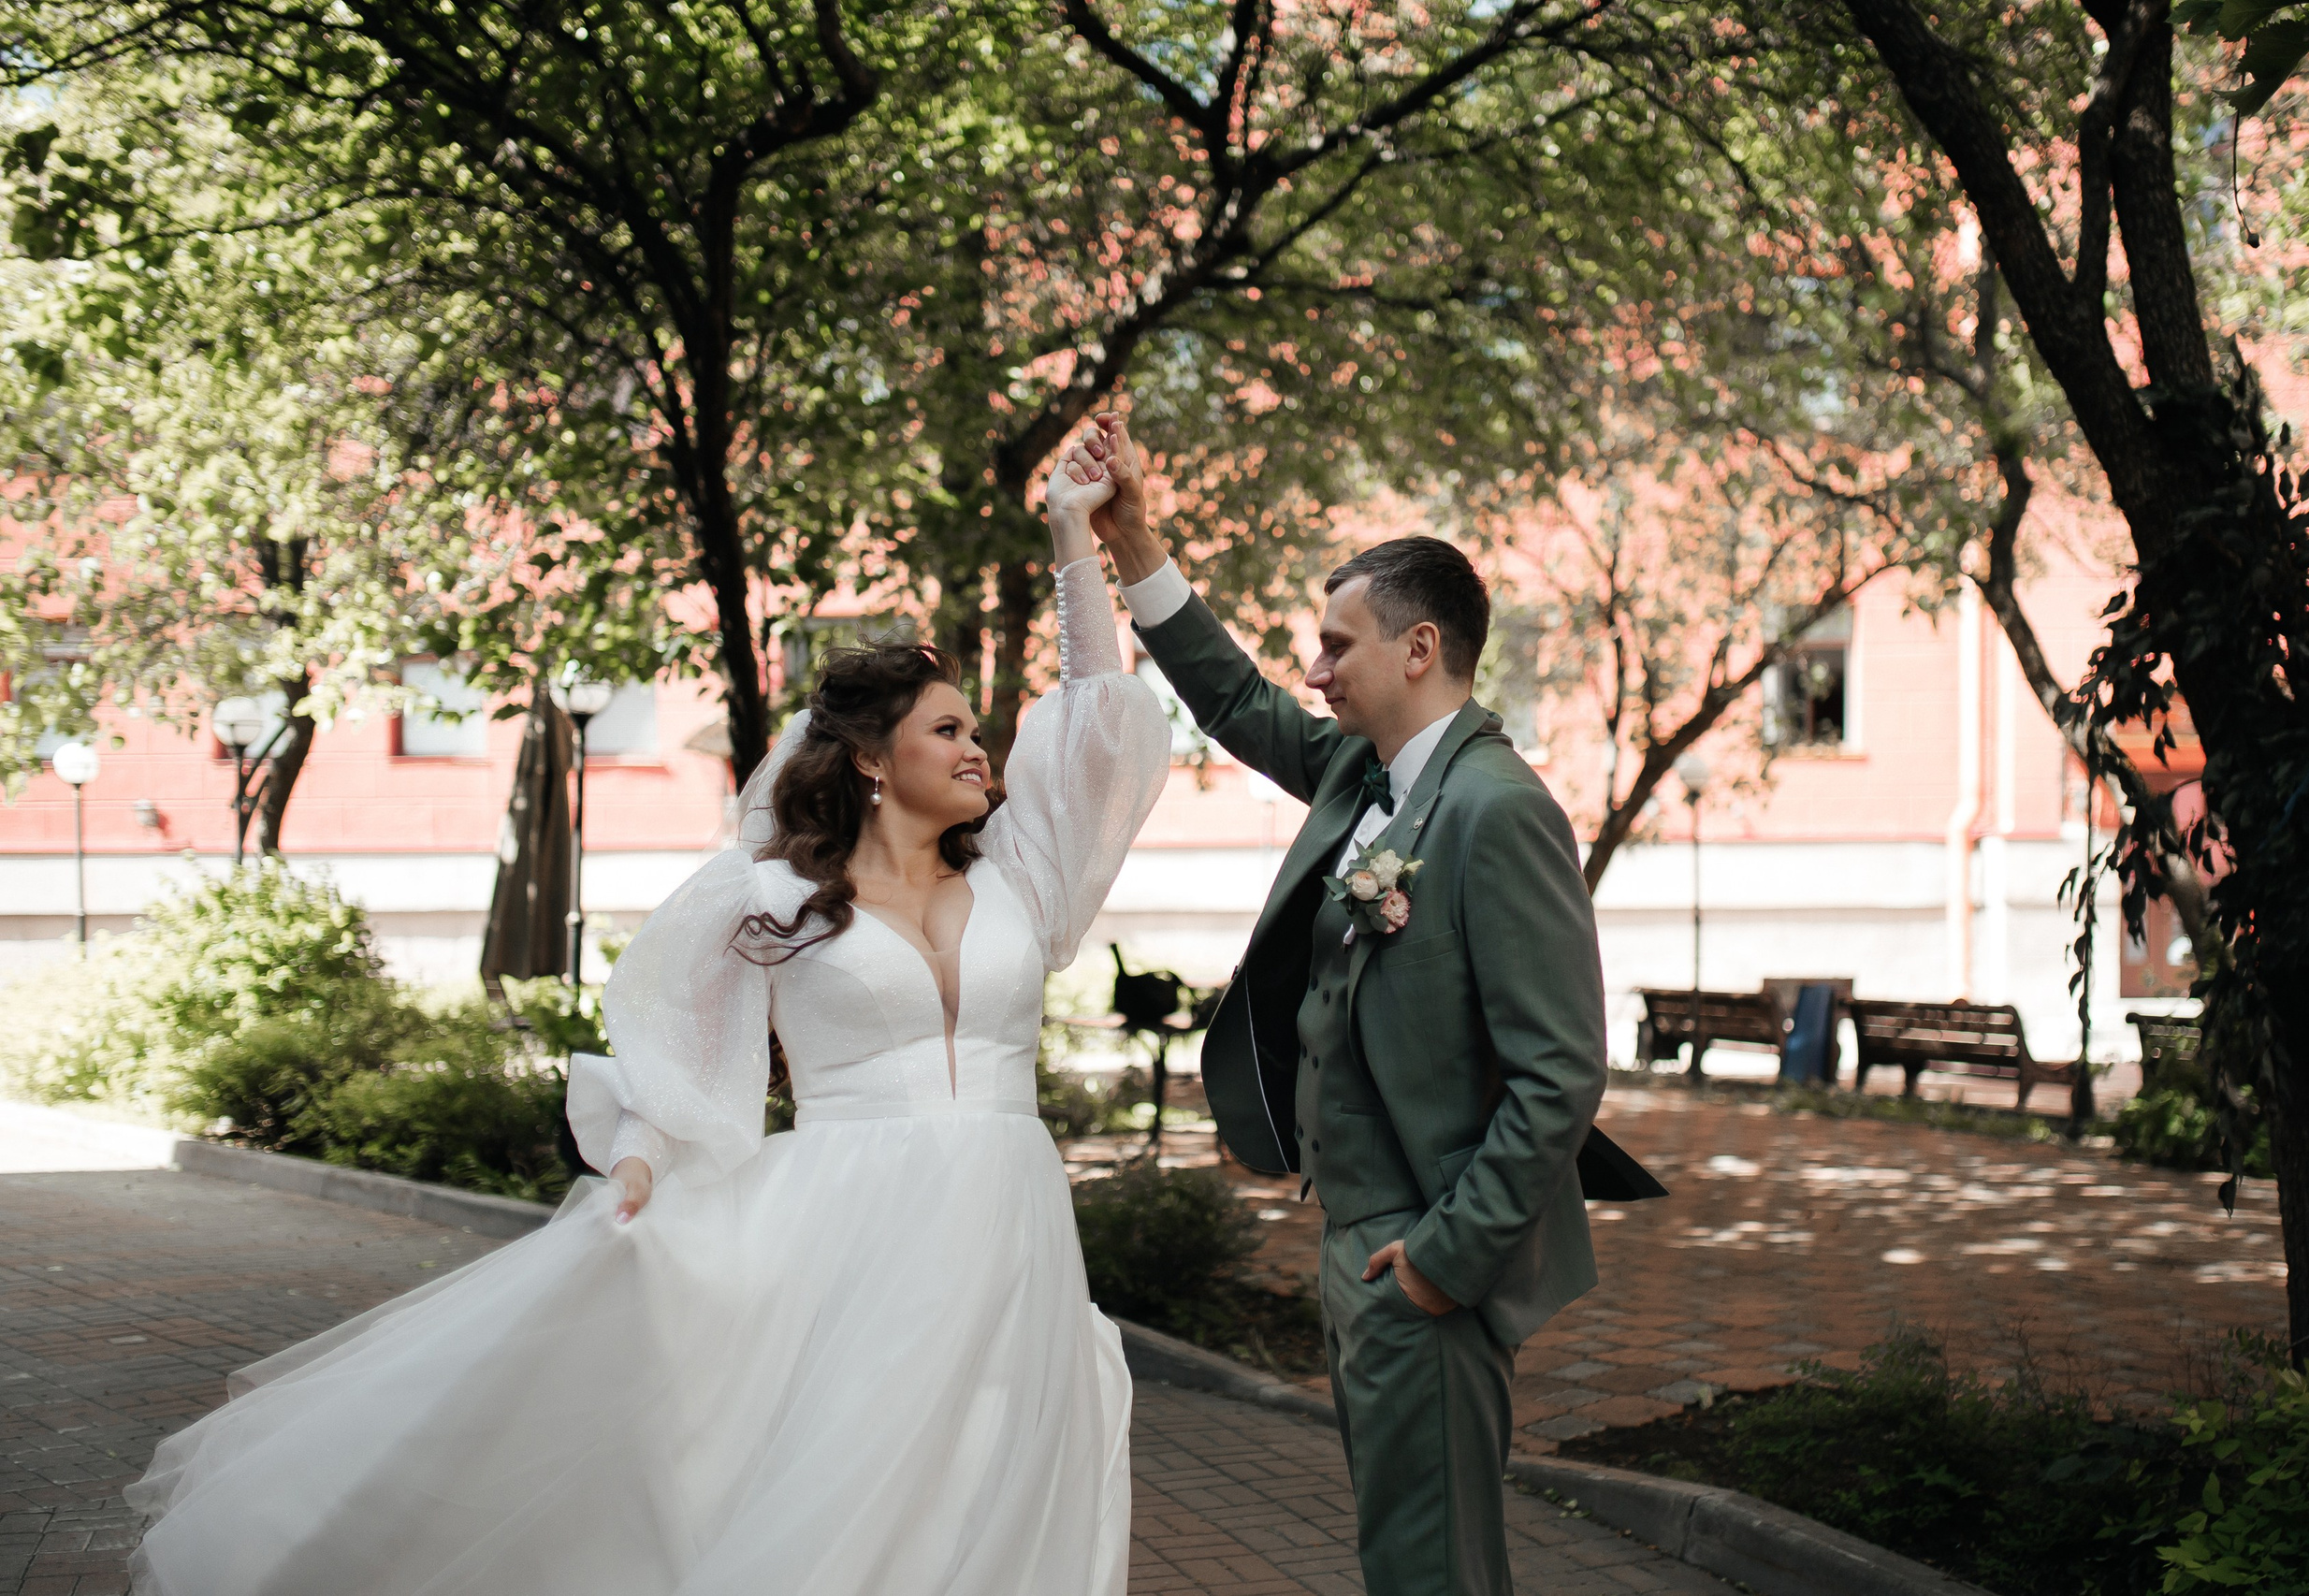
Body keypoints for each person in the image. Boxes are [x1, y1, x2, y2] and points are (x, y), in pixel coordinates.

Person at [125, 454, 1169, 1595]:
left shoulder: (1025, 875)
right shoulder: (764, 898)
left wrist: (1078, 535)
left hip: (1010, 1220)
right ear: (872, 760)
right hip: (850, 1234)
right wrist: (635, 1160)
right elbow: (677, 1054)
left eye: (978, 729)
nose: (982, 748)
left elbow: (1097, 726)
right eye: (950, 728)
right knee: (852, 1486)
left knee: (1001, 1473)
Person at [1064, 416, 1608, 1596]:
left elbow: (1560, 1073)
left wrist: (1442, 1261)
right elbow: (1228, 696)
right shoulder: (1365, 775)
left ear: (1419, 648)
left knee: (1432, 1563)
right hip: (1356, 1235)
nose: (1312, 673)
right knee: (1401, 1550)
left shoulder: (1492, 808)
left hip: (1423, 1246)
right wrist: (1132, 539)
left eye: (1334, 647)